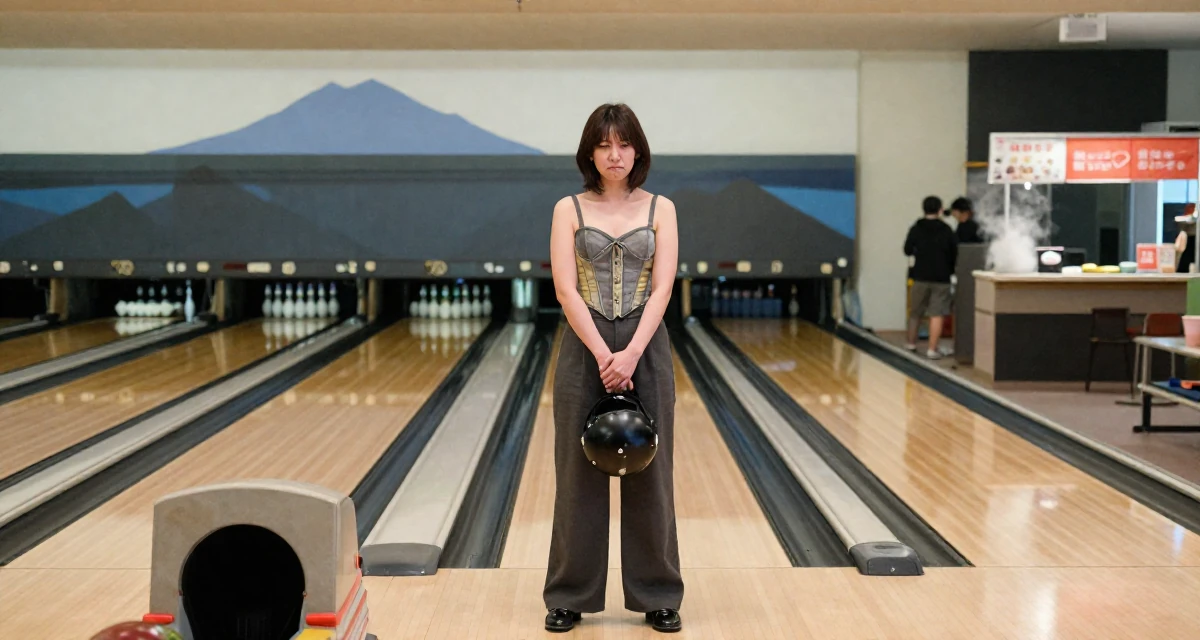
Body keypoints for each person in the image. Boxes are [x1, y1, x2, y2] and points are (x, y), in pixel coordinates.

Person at [544, 103, 682, 634]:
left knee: (653, 473)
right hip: (585, 345)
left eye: (623, 143)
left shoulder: (662, 208)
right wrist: (604, 354)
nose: (615, 154)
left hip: (646, 344)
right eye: (604, 144)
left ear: (638, 150)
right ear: (590, 152)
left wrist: (630, 354)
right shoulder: (567, 208)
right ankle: (569, 595)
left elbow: (663, 286)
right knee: (576, 473)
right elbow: (564, 287)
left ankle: (659, 594)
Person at [904, 195, 957, 359]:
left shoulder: (916, 227)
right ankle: (932, 349)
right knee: (937, 313)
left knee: (916, 312)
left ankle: (911, 344)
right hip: (942, 277)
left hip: (920, 275)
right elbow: (954, 253)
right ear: (940, 210)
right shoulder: (946, 229)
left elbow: (907, 249)